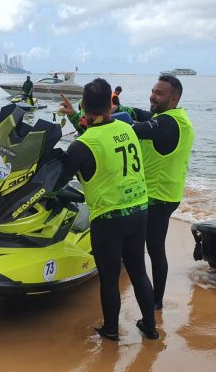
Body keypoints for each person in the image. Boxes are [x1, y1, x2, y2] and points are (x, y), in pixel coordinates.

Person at [57, 79, 158, 341]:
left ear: (83, 105)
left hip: (109, 217)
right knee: (138, 270)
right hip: (138, 210)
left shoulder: (82, 144)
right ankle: (150, 326)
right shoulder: (127, 128)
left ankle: (111, 330)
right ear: (110, 105)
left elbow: (58, 179)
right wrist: (75, 116)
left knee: (110, 279)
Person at [124, 75, 195, 310]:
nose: (153, 96)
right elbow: (141, 114)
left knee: (153, 248)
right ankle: (155, 300)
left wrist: (104, 118)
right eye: (153, 91)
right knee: (154, 247)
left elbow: (137, 128)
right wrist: (117, 106)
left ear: (174, 99)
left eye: (159, 93)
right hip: (167, 194)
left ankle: (155, 302)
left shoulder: (167, 123)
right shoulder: (175, 118)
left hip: (158, 196)